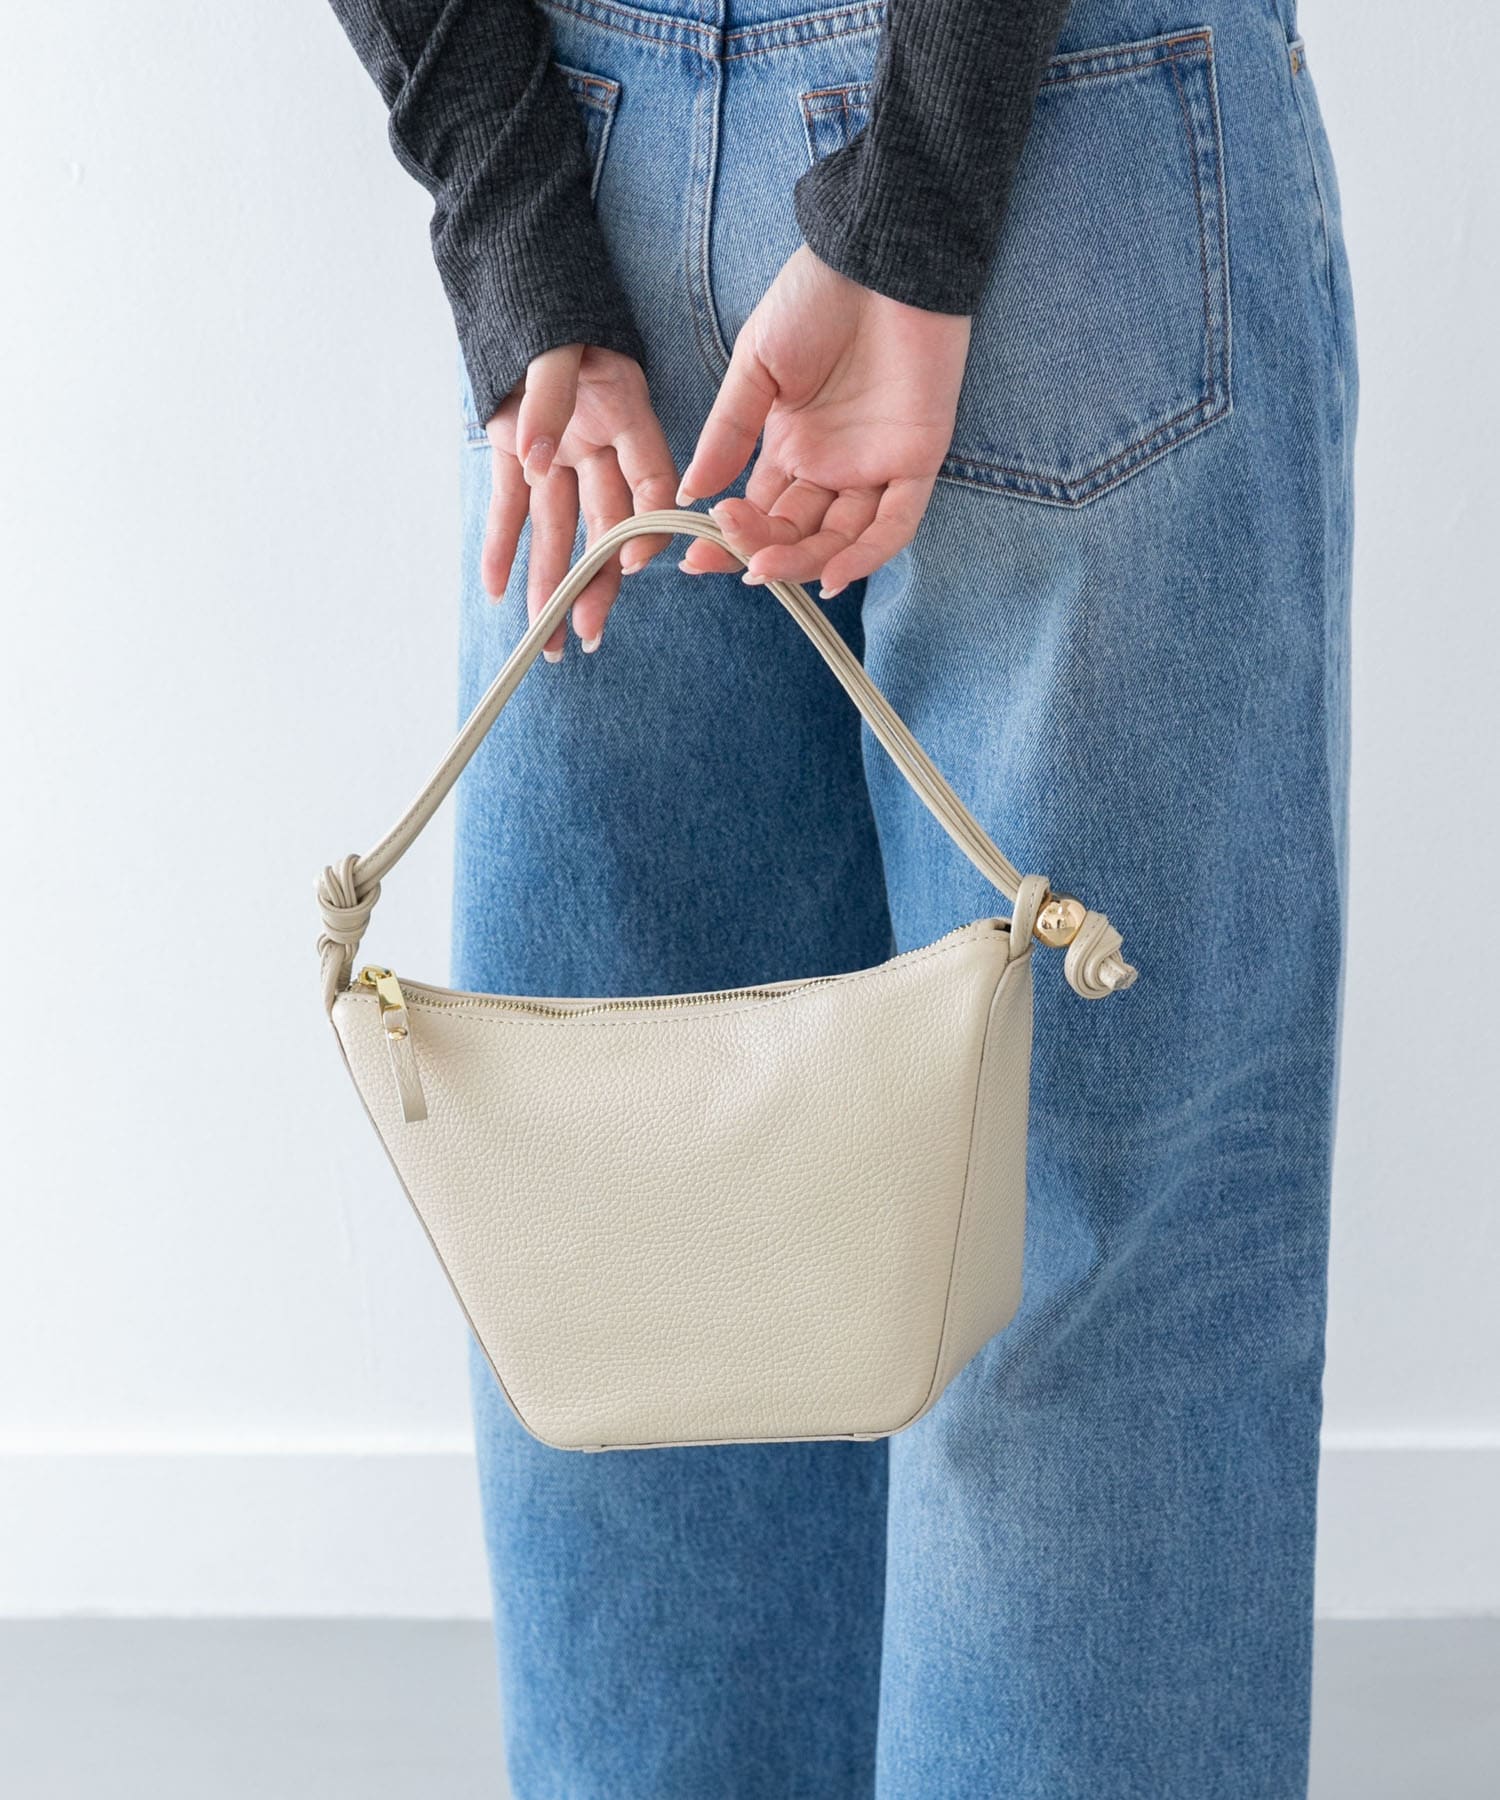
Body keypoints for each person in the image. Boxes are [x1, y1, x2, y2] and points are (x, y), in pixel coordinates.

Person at [327, 1, 1356, 1793]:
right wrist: (917, 196)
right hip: (1067, 140)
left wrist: (515, 217)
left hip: (597, 162)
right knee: (1089, 1294)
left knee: (647, 1258)